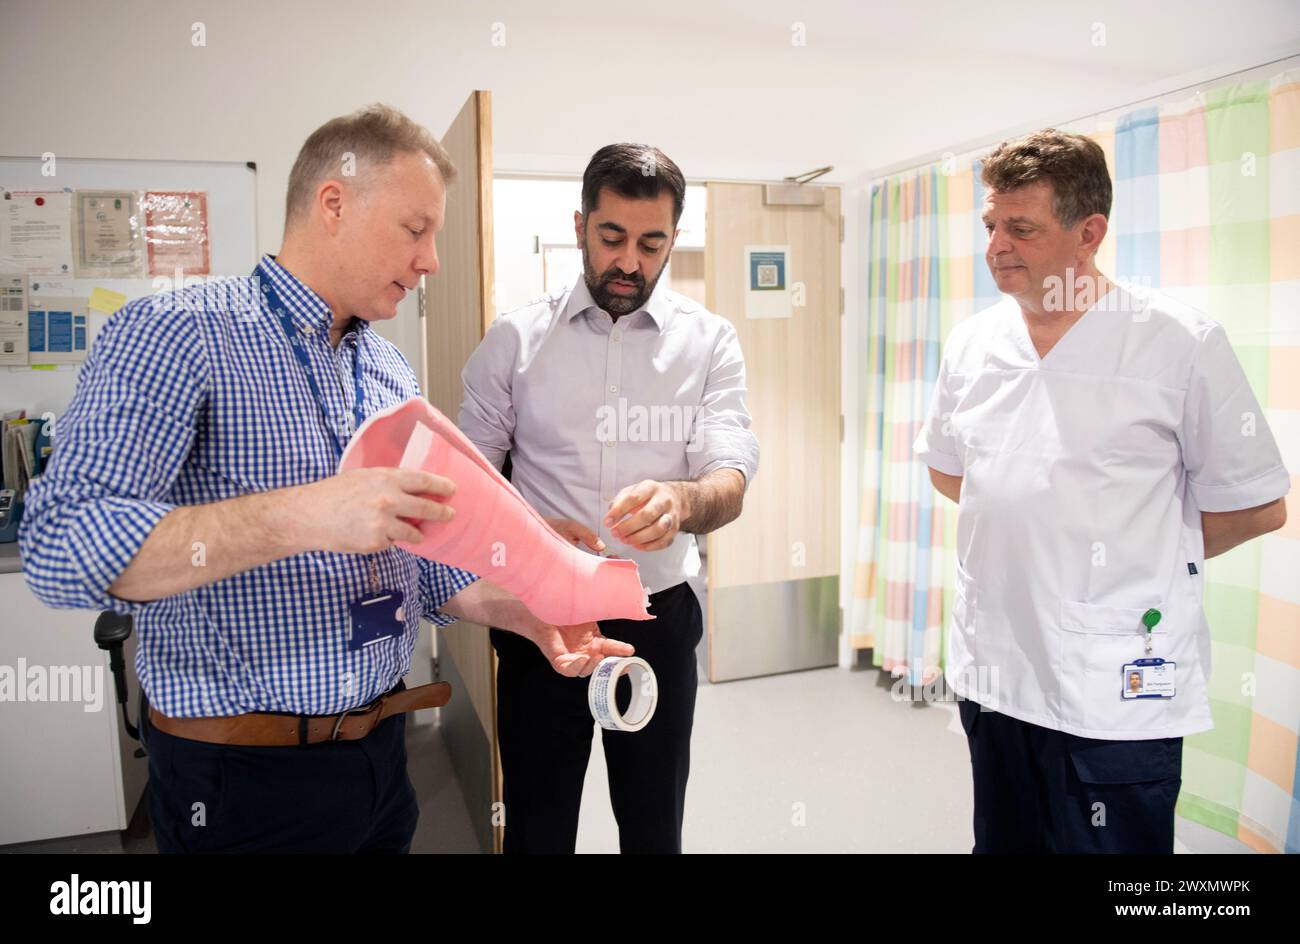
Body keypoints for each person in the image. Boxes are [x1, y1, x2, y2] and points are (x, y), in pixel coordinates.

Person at [19, 104, 631, 854]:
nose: (432, 259)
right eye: (416, 230)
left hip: (382, 757)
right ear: (333, 203)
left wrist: (528, 610)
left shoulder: (387, 368)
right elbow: (59, 547)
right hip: (240, 782)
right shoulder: (178, 334)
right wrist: (302, 515)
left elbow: (420, 564)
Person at [914, 129, 1289, 854]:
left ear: (1089, 232)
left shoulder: (1178, 343)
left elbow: (1256, 502)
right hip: (995, 669)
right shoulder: (974, 344)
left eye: (1021, 228)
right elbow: (949, 468)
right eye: (991, 225)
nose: (996, 246)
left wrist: (1126, 554)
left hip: (1115, 678)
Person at [459, 143, 759, 853]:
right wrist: (531, 530)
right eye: (612, 238)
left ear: (672, 240)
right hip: (538, 620)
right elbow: (467, 484)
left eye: (651, 243)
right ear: (579, 227)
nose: (629, 262)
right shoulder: (513, 340)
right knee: (536, 826)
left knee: (653, 828)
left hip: (657, 617)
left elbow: (730, 474)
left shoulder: (710, 343)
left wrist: (683, 502)